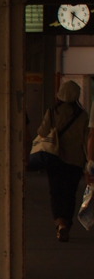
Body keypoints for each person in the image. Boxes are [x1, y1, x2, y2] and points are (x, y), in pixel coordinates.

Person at [35, 80, 88, 242]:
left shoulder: (52, 112)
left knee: (56, 192)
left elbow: (42, 132)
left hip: (55, 159)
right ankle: (67, 223)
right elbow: (86, 140)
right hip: (75, 161)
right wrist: (88, 163)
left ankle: (60, 223)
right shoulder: (83, 115)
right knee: (70, 194)